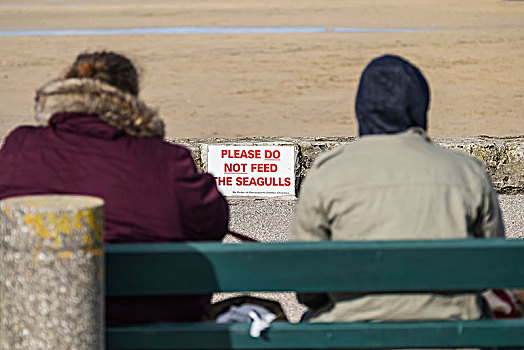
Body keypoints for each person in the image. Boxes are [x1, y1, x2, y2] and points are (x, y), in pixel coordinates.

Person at [0, 51, 229, 325]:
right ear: (130, 98)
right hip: (146, 325)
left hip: (27, 317)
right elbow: (211, 223)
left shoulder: (19, 146)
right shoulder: (165, 159)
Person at [291, 54, 505, 322]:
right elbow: (494, 268)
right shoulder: (467, 172)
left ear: (361, 109)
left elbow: (307, 287)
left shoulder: (327, 173)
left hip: (349, 334)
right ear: (420, 107)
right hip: (452, 335)